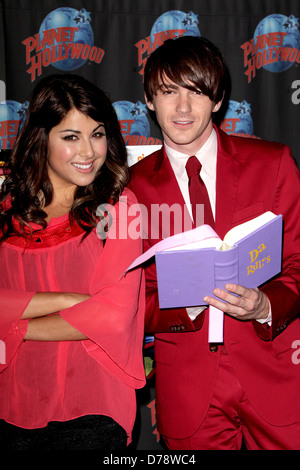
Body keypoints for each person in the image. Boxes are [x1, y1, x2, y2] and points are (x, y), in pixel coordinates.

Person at [128, 36, 300, 450]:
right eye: (169, 92)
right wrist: (183, 303)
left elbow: (297, 261)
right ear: (150, 101)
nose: (183, 108)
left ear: (219, 98)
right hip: (187, 386)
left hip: (275, 372)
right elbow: (129, 301)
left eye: (197, 92)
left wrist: (265, 304)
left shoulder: (272, 163)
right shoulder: (129, 189)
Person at [0, 74, 145, 450]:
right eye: (71, 137)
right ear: (40, 139)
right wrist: (72, 301)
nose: (89, 151)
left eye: (97, 134)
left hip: (93, 412)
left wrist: (15, 327)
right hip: (8, 407)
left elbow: (112, 316)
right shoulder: (4, 211)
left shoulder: (120, 207)